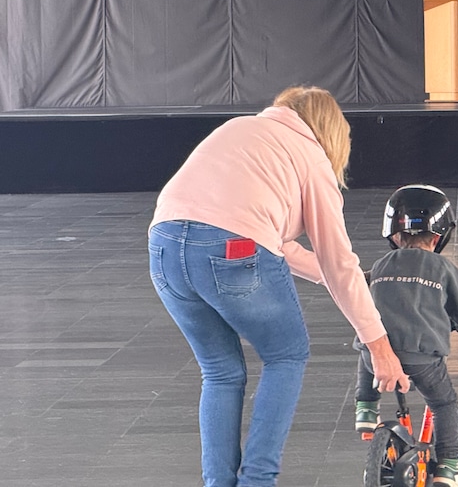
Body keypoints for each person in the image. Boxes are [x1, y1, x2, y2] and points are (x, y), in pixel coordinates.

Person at [148, 86, 407, 487]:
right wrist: (380, 348)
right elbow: (338, 261)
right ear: (331, 131)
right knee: (286, 355)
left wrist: (349, 279)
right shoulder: (311, 156)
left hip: (163, 248)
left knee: (219, 372)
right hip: (233, 249)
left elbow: (271, 240)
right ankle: (257, 481)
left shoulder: (238, 129)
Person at [353, 184, 458, 487]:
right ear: (439, 237)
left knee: (367, 348)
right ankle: (449, 466)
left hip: (378, 354)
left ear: (395, 235)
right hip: (421, 357)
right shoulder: (443, 268)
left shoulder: (381, 265)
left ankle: (366, 408)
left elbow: (362, 286)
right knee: (444, 404)